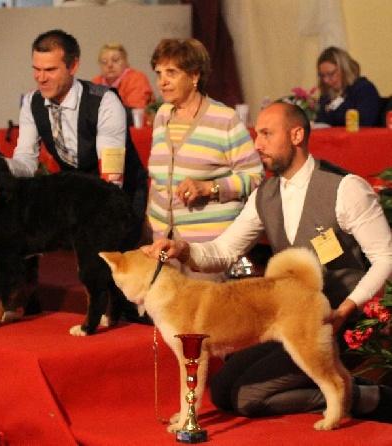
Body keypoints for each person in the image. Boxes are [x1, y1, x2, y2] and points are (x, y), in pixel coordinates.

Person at [143, 101, 392, 423]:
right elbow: (224, 250)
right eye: (257, 134)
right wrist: (182, 249)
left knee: (247, 398)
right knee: (222, 390)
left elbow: (386, 257)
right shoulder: (266, 193)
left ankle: (364, 395)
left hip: (341, 315)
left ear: (297, 134)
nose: (257, 144)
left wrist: (347, 308)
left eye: (266, 134)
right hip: (290, 315)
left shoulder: (345, 188)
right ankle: (345, 387)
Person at [9, 29, 148, 234]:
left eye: (50, 70)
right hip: (80, 197)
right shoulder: (32, 103)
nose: (41, 78)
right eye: (36, 69)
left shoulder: (104, 102)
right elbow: (26, 164)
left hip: (120, 195)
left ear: (73, 66)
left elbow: (112, 180)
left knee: (118, 262)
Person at [147, 38, 263, 281]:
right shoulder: (162, 116)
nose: (163, 81)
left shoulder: (225, 119)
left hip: (208, 250)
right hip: (164, 246)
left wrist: (208, 188)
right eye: (159, 73)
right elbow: (157, 180)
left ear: (195, 76)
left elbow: (255, 178)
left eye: (172, 72)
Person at [314, 46, 382, 127]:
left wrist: (330, 114)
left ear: (344, 69)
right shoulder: (326, 96)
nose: (325, 80)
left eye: (330, 74)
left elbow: (363, 123)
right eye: (322, 75)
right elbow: (320, 121)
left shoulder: (364, 89)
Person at [91, 42, 155, 113]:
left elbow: (135, 111)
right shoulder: (96, 82)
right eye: (104, 62)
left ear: (125, 62)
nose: (109, 65)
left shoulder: (136, 78)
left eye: (115, 60)